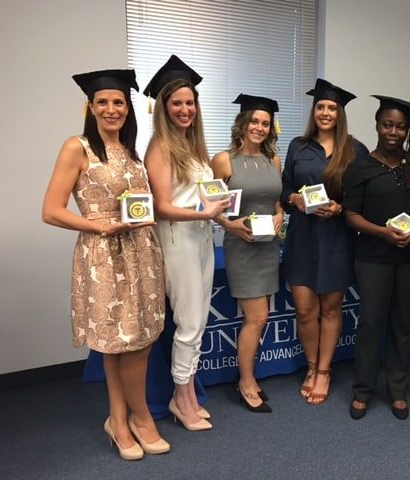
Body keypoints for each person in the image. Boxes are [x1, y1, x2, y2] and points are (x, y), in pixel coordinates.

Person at [42, 69, 169, 459]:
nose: (112, 109)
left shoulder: (131, 151)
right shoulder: (77, 147)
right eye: (103, 102)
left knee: (130, 343)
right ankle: (140, 417)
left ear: (127, 108)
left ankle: (118, 419)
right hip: (103, 255)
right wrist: (100, 225)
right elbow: (50, 210)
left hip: (140, 253)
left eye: (118, 102)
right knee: (124, 343)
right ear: (91, 107)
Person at [144, 55, 228, 431]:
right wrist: (204, 215)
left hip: (201, 238)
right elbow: (161, 207)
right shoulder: (160, 147)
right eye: (176, 103)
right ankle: (181, 398)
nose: (184, 109)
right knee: (188, 323)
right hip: (177, 240)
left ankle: (190, 393)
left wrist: (224, 215)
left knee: (198, 321)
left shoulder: (192, 147)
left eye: (189, 102)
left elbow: (201, 198)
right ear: (164, 108)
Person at [281, 78, 368, 405]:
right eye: (321, 106)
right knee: (304, 309)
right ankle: (312, 364)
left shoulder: (355, 149)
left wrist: (341, 207)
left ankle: (324, 371)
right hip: (303, 236)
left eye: (332, 107)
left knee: (331, 308)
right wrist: (294, 199)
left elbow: (361, 198)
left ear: (340, 113)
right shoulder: (297, 146)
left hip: (337, 238)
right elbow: (284, 188)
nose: (326, 112)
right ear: (313, 111)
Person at [343, 95, 410, 420]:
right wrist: (382, 232)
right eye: (387, 125)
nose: (393, 131)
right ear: (377, 126)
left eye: (400, 126)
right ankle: (363, 390)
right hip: (373, 257)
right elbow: (350, 215)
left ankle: (397, 389)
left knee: (402, 323)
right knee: (370, 323)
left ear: (408, 130)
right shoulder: (361, 166)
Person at [211, 94, 284, 413]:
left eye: (265, 123)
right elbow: (210, 208)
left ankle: (248, 377)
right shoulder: (224, 160)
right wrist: (231, 226)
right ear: (242, 123)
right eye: (254, 121)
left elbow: (275, 200)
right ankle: (246, 381)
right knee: (257, 317)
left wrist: (281, 215)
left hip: (269, 247)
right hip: (241, 247)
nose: (259, 127)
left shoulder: (274, 161)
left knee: (260, 316)